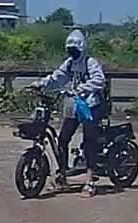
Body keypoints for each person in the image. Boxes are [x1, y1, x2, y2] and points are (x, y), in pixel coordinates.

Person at [30, 29, 107, 197]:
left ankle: (90, 181)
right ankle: (62, 175)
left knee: (89, 141)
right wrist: (41, 83)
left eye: (75, 49)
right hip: (75, 106)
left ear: (82, 48)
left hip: (91, 106)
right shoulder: (69, 63)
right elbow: (58, 77)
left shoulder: (90, 62)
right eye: (69, 49)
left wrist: (82, 88)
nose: (72, 52)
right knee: (63, 139)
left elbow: (99, 80)